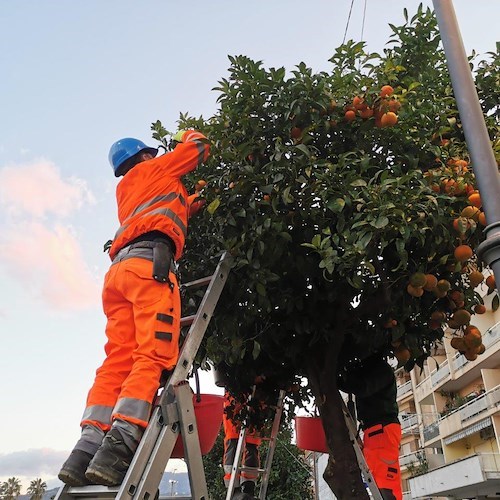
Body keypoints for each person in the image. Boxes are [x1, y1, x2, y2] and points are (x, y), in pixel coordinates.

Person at [58, 130, 210, 487]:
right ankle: (120, 443)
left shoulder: (129, 188)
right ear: (143, 156)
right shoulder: (156, 169)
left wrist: (192, 203)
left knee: (117, 360)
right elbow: (200, 147)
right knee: (151, 355)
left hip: (119, 274)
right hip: (149, 270)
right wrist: (188, 135)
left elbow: (167, 208)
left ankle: (86, 449)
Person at [338, 354, 403, 500]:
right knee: (377, 478)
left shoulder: (381, 370)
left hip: (382, 428)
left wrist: (341, 381)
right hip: (375, 430)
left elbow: (363, 387)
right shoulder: (370, 369)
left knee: (385, 482)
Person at [222, 391, 262, 500]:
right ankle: (234, 488)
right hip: (236, 398)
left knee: (251, 446)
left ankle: (248, 487)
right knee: (234, 442)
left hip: (255, 400)